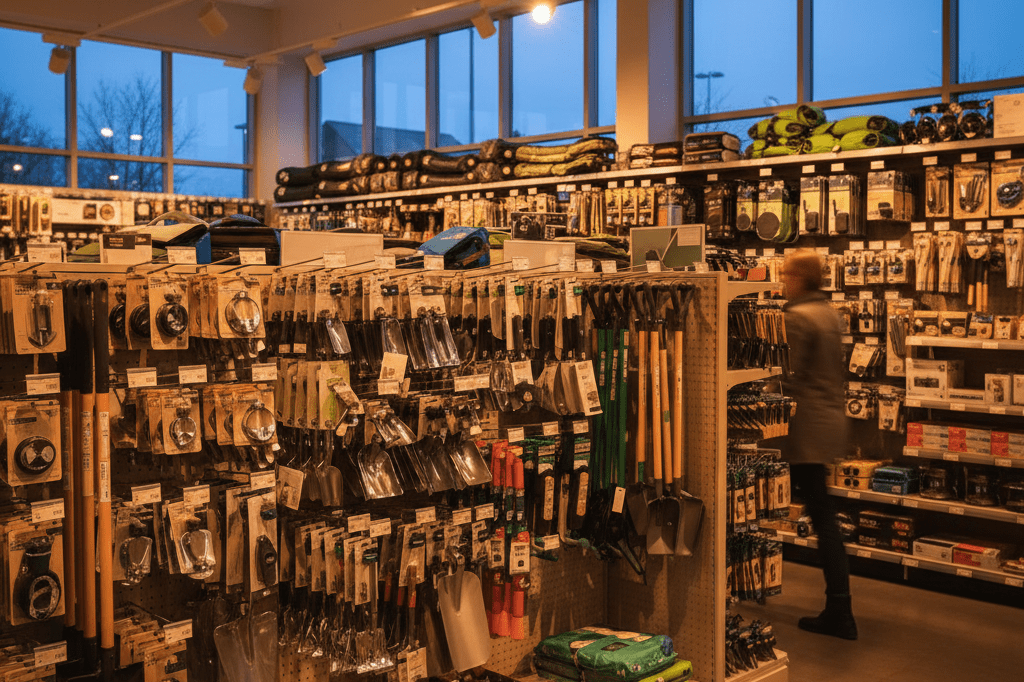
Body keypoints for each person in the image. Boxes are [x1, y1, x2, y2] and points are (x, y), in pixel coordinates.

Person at [780, 249, 857, 640]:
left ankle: (840, 611)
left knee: (823, 517)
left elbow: (786, 374)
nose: (782, 281)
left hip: (804, 429)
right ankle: (839, 606)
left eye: (786, 275)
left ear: (800, 278)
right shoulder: (829, 313)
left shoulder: (797, 318)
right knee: (824, 514)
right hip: (828, 423)